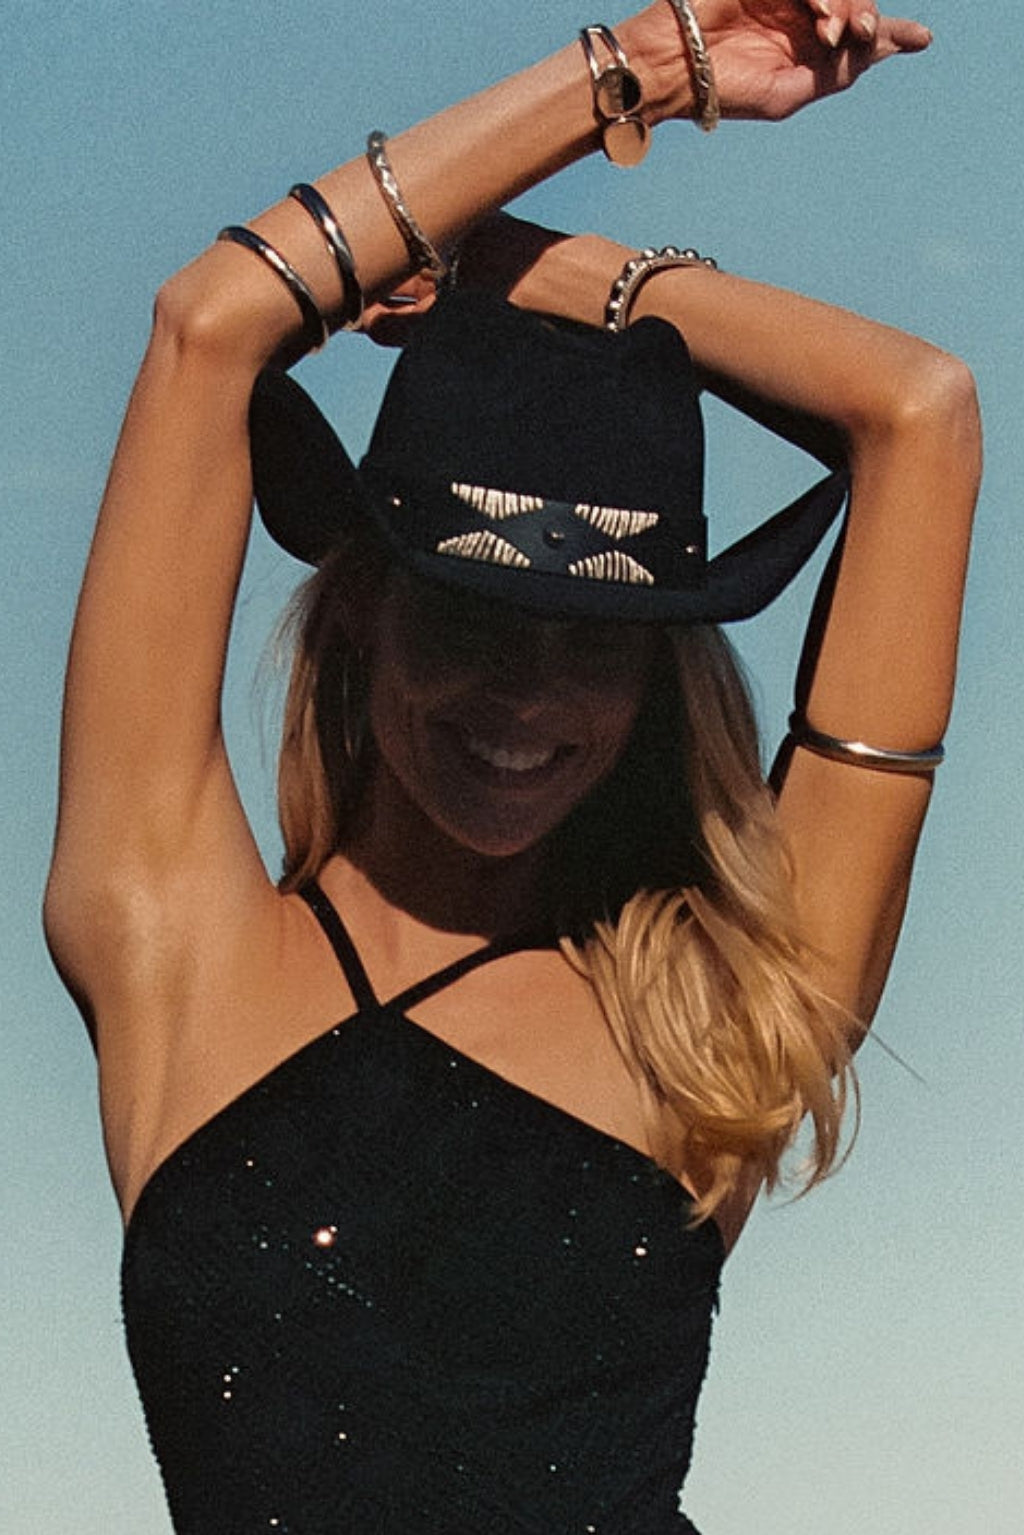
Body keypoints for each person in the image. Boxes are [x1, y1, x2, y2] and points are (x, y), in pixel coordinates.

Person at [44, 1, 980, 1530]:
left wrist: (510, 266)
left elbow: (919, 417)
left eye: (596, 641)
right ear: (361, 619)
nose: (524, 696)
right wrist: (653, 68)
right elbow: (214, 325)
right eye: (472, 619)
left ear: (658, 678)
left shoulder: (716, 1012)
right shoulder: (177, 946)